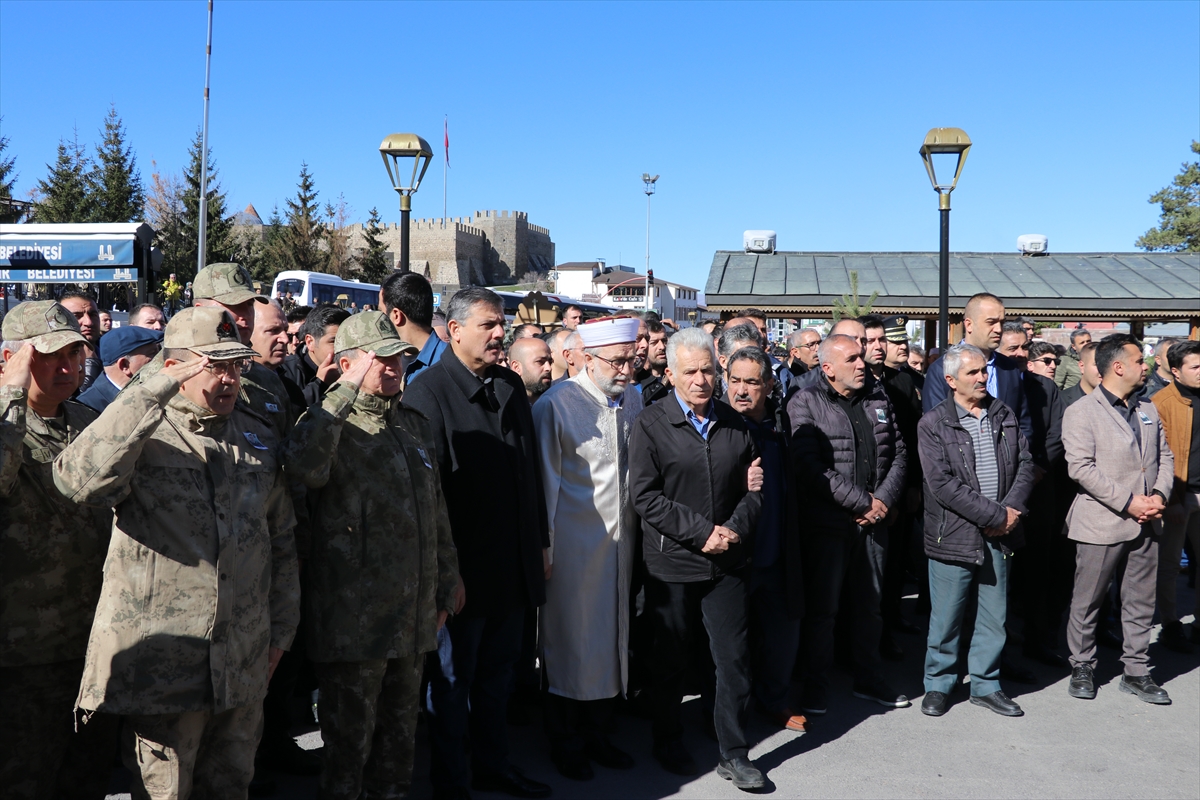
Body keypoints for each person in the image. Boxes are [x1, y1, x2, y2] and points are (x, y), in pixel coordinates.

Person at [54, 306, 301, 797]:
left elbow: (281, 540)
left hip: (242, 659)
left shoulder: (254, 439)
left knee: (231, 785)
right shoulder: (141, 431)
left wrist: (282, 631)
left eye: (236, 365)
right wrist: (148, 391)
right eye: (216, 365)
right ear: (177, 367)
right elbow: (76, 481)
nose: (230, 378)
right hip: (168, 668)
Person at [283, 311, 460, 799]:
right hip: (354, 625)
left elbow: (435, 509)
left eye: (398, 357)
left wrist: (449, 576)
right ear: (346, 363)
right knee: (348, 753)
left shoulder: (412, 425)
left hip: (413, 616)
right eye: (379, 360)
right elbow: (303, 468)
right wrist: (346, 387)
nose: (393, 367)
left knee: (399, 747)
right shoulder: (327, 423)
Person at [402, 288, 552, 800]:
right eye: (488, 324)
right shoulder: (427, 393)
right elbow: (429, 497)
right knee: (449, 686)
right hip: (463, 575)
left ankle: (494, 765)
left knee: (497, 680)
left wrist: (542, 545)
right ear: (453, 330)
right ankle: (452, 782)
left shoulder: (510, 385)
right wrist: (447, 575)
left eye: (502, 323)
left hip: (511, 568)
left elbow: (529, 475)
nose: (499, 333)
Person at [628, 327, 765, 790]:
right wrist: (703, 533)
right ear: (670, 374)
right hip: (673, 564)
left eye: (708, 370)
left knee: (732, 659)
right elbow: (645, 498)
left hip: (727, 563)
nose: (701, 380)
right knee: (670, 660)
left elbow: (753, 491)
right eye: (690, 372)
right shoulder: (650, 424)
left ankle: (733, 750)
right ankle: (668, 738)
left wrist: (733, 531)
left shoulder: (734, 423)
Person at [1, 302, 118, 799]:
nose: (68, 366)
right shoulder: (7, 427)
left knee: (88, 778)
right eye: (50, 356)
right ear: (13, 359)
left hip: (94, 645)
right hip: (22, 655)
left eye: (75, 352)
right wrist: (8, 395)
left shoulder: (90, 422)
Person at [533, 317, 644, 781]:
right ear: (587, 357)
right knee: (571, 644)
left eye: (630, 361)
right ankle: (566, 740)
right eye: (616, 363)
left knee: (613, 642)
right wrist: (546, 551)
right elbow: (544, 485)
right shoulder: (555, 406)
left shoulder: (634, 399)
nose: (625, 371)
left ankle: (600, 733)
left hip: (624, 549)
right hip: (573, 553)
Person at [788, 333, 909, 714]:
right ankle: (815, 684)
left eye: (862, 357)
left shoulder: (878, 397)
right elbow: (809, 465)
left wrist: (882, 501)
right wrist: (861, 502)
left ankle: (868, 677)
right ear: (827, 368)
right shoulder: (805, 401)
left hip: (874, 524)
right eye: (852, 359)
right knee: (823, 610)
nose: (862, 364)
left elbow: (900, 451)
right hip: (829, 525)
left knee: (869, 606)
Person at [917, 343, 1034, 718]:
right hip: (954, 533)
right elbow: (943, 484)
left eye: (984, 371)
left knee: (993, 616)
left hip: (1001, 531)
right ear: (951, 380)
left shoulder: (1004, 414)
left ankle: (986, 684)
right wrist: (993, 515)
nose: (982, 377)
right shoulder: (933, 423)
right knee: (947, 617)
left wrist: (1010, 510)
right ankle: (939, 684)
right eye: (973, 373)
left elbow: (1025, 465)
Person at [1062, 334, 1173, 705]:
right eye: (1140, 361)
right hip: (1102, 521)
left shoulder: (1148, 408)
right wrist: (1129, 502)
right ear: (1118, 367)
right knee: (1088, 598)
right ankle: (1082, 665)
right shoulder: (1081, 411)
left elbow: (1165, 457)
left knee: (1140, 600)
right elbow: (1080, 468)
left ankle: (1137, 671)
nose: (1147, 367)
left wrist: (1158, 495)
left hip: (1148, 520)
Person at [725, 346, 806, 734]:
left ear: (770, 385)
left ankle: (774, 700)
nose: (741, 390)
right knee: (732, 648)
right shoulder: (718, 425)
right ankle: (727, 719)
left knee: (781, 636)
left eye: (752, 382)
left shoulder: (782, 425)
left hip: (777, 551)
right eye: (735, 381)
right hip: (734, 556)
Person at [869, 315, 925, 657]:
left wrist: (914, 484)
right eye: (895, 341)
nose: (902, 346)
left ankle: (891, 620)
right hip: (880, 489)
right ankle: (880, 631)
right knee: (882, 567)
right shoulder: (877, 383)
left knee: (898, 559)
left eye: (904, 340)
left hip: (905, 484)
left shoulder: (910, 380)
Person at [924, 293, 1033, 442]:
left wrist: (1018, 459)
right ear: (969, 324)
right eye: (991, 322)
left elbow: (1023, 422)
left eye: (1001, 322)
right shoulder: (941, 369)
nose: (998, 329)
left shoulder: (1010, 368)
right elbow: (936, 427)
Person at [1151, 340, 1200, 652]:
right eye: (1196, 367)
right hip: (1178, 496)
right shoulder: (1162, 403)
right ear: (1175, 371)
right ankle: (1170, 623)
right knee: (1168, 564)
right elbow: (1159, 456)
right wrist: (1171, 499)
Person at [379, 272, 448, 387]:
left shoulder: (448, 364)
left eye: (381, 312)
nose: (379, 320)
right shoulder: (389, 360)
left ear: (396, 316)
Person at [76, 324, 163, 413]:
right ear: (124, 365)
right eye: (153, 355)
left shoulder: (150, 393)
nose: (161, 361)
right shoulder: (87, 407)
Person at [280, 304, 350, 408]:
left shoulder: (355, 369)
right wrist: (320, 384)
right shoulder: (284, 372)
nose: (343, 348)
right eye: (334, 341)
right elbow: (287, 415)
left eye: (348, 342)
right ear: (310, 342)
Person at [58, 290, 102, 393]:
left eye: (93, 315)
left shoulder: (112, 354)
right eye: (76, 316)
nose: (89, 322)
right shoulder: (48, 359)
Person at [508, 336, 554, 404]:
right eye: (540, 362)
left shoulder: (560, 402)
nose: (549, 368)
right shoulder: (505, 407)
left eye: (550, 362)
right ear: (516, 367)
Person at [637, 319, 672, 404]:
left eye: (664, 341)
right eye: (654, 342)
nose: (662, 347)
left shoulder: (676, 377)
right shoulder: (635, 381)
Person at [1062, 342, 1100, 407]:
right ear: (1082, 366)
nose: (1103, 369)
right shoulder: (1062, 400)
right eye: (1097, 364)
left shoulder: (1117, 399)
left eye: (1106, 365)